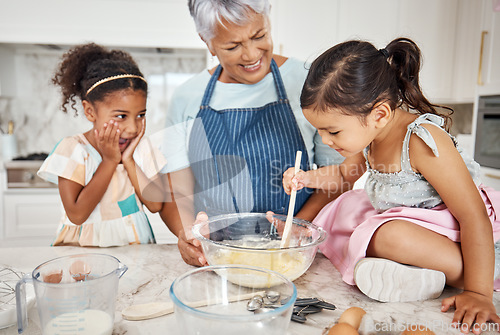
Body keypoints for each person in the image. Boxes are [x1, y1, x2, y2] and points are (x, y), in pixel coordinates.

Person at [282, 37, 500, 333]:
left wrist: (478, 292)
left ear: (380, 114)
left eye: (332, 131)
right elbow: (344, 178)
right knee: (347, 206)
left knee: (388, 236)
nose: (324, 140)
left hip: (460, 230)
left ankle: (464, 275)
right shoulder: (369, 132)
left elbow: (473, 216)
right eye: (319, 131)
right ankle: (419, 276)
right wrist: (306, 178)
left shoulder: (421, 141)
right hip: (418, 226)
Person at [159, 0, 344, 266]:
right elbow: (178, 190)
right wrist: (189, 235)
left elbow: (336, 174)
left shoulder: (308, 81)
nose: (251, 54)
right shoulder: (186, 98)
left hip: (290, 253)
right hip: (217, 259)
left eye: (259, 36)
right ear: (207, 40)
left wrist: (298, 227)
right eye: (233, 46)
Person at [38, 43, 167, 247]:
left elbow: (155, 204)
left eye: (141, 115)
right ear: (90, 112)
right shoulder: (74, 150)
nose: (133, 128)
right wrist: (109, 161)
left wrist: (129, 161)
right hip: (85, 254)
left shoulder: (142, 149)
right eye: (121, 116)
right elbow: (77, 214)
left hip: (134, 248)